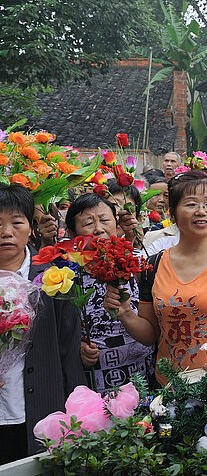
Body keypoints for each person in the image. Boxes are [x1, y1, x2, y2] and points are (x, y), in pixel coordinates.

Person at [104, 170, 207, 385]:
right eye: (191, 204)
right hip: (171, 392)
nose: (201, 212)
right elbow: (151, 334)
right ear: (172, 214)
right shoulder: (152, 266)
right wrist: (125, 313)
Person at [0, 184, 85, 462]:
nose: (7, 232)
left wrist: (77, 411)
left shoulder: (54, 279)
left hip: (43, 408)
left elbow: (69, 351)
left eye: (16, 222)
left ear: (30, 227)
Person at [63, 193, 154, 393]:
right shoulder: (65, 279)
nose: (99, 229)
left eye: (105, 220)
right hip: (95, 385)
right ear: (72, 233)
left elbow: (156, 325)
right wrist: (77, 348)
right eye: (88, 223)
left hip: (144, 377)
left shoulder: (140, 265)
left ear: (117, 224)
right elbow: (60, 333)